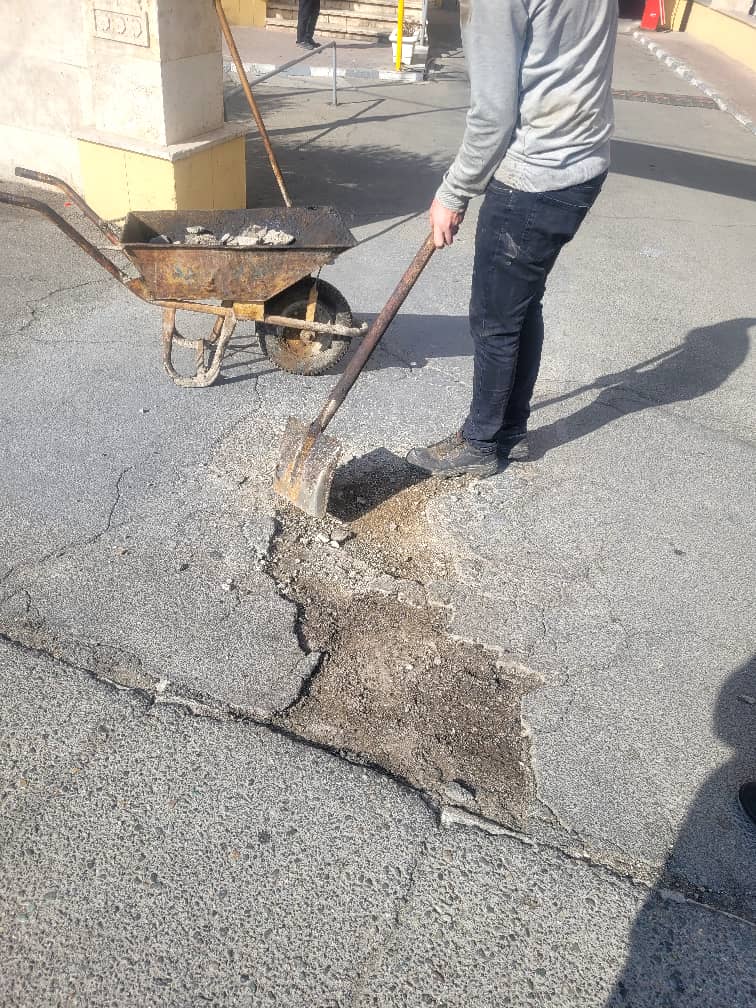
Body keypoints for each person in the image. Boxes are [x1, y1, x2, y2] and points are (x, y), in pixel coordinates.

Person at [407, 0, 618, 478]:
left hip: (536, 174)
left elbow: (493, 116)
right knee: (522, 305)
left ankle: (481, 441)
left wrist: (454, 192)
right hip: (584, 163)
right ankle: (510, 430)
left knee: (495, 318)